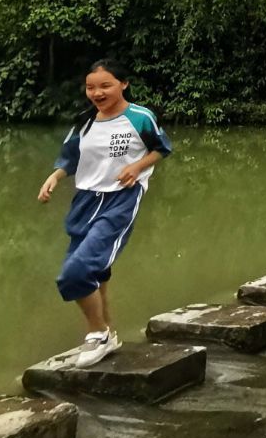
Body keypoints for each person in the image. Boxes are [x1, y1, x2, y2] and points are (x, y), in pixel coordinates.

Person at [36, 57, 173, 366]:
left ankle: (97, 333)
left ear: (123, 84)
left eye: (105, 86)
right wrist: (54, 178)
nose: (97, 93)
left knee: (75, 274)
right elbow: (69, 159)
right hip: (84, 201)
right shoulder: (84, 122)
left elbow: (161, 148)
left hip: (121, 199)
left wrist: (136, 167)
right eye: (90, 87)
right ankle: (105, 332)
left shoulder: (140, 117)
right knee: (95, 270)